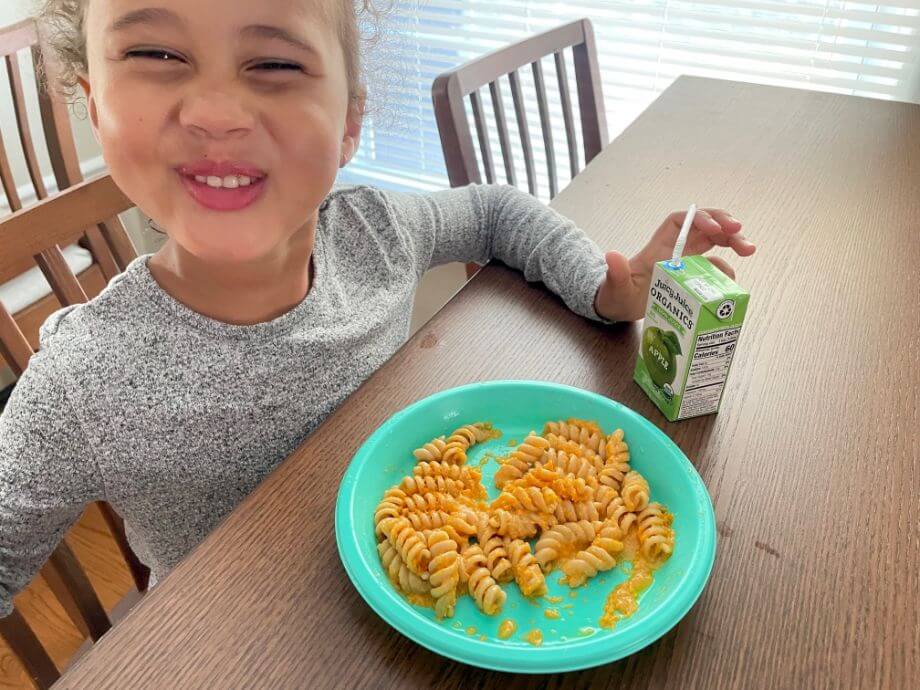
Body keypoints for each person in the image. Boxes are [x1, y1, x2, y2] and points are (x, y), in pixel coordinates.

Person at [0, 0, 755, 616]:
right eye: (157, 56)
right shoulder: (80, 383)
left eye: (274, 63)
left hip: (428, 601)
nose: (216, 112)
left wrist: (604, 287)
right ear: (95, 106)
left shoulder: (373, 232)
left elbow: (493, 210)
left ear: (350, 122)